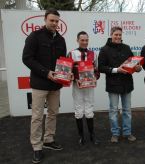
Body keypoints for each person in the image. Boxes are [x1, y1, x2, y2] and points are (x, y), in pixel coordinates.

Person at [22, 9, 69, 163]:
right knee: (37, 116)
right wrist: (45, 72)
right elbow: (27, 59)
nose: (55, 23)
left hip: (56, 85)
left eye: (57, 21)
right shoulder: (34, 37)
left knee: (53, 113)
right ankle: (37, 146)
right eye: (52, 20)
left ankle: (48, 140)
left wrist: (67, 74)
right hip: (40, 83)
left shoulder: (61, 40)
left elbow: (63, 62)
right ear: (45, 20)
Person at [98, 26, 141, 143]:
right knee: (113, 111)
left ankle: (127, 133)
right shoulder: (104, 50)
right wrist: (116, 70)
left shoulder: (127, 48)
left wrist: (138, 68)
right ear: (111, 35)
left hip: (127, 84)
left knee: (127, 110)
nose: (118, 37)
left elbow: (134, 64)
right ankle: (115, 134)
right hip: (113, 85)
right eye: (116, 34)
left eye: (119, 35)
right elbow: (101, 67)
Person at [67, 31, 100, 145]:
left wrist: (95, 77)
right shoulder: (71, 53)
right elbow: (67, 71)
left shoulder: (93, 54)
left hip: (89, 86)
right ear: (77, 40)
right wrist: (72, 77)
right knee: (79, 110)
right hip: (77, 87)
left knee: (89, 110)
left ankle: (92, 135)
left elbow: (97, 71)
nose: (85, 42)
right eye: (82, 40)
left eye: (86, 40)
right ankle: (81, 136)